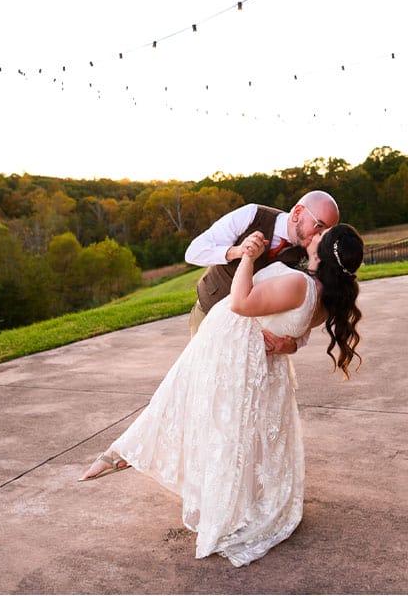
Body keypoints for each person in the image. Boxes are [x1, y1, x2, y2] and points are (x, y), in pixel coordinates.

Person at [79, 223, 364, 567]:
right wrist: (291, 345)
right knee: (241, 436)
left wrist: (248, 256)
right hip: (256, 365)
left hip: (237, 360)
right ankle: (125, 455)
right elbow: (291, 329)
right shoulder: (326, 295)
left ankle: (205, 498)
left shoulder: (300, 283)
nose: (316, 234)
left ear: (325, 249)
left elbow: (241, 303)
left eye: (322, 234)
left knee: (214, 426)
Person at [184, 190, 339, 354]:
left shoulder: (314, 253)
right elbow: (193, 252)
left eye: (327, 233)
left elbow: (310, 305)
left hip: (253, 336)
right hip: (208, 313)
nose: (320, 238)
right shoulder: (251, 214)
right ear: (298, 212)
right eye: (319, 226)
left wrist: (294, 345)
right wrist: (238, 251)